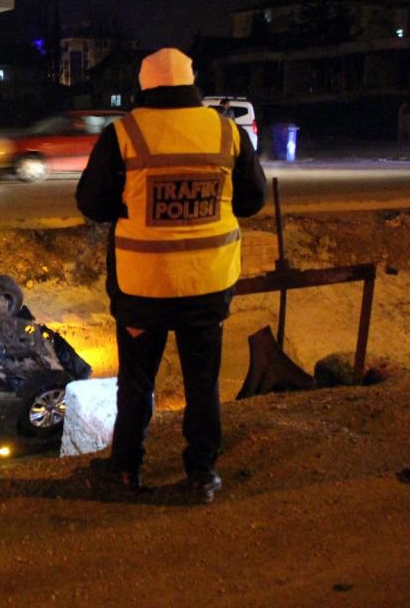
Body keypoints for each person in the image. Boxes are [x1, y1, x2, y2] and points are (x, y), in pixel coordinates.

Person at [75, 48, 266, 504]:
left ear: (144, 87)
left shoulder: (124, 133)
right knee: (203, 382)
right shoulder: (227, 131)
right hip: (207, 285)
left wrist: (133, 205)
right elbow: (252, 200)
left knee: (136, 383)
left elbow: (92, 204)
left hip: (144, 288)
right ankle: (202, 475)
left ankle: (125, 470)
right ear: (191, 83)